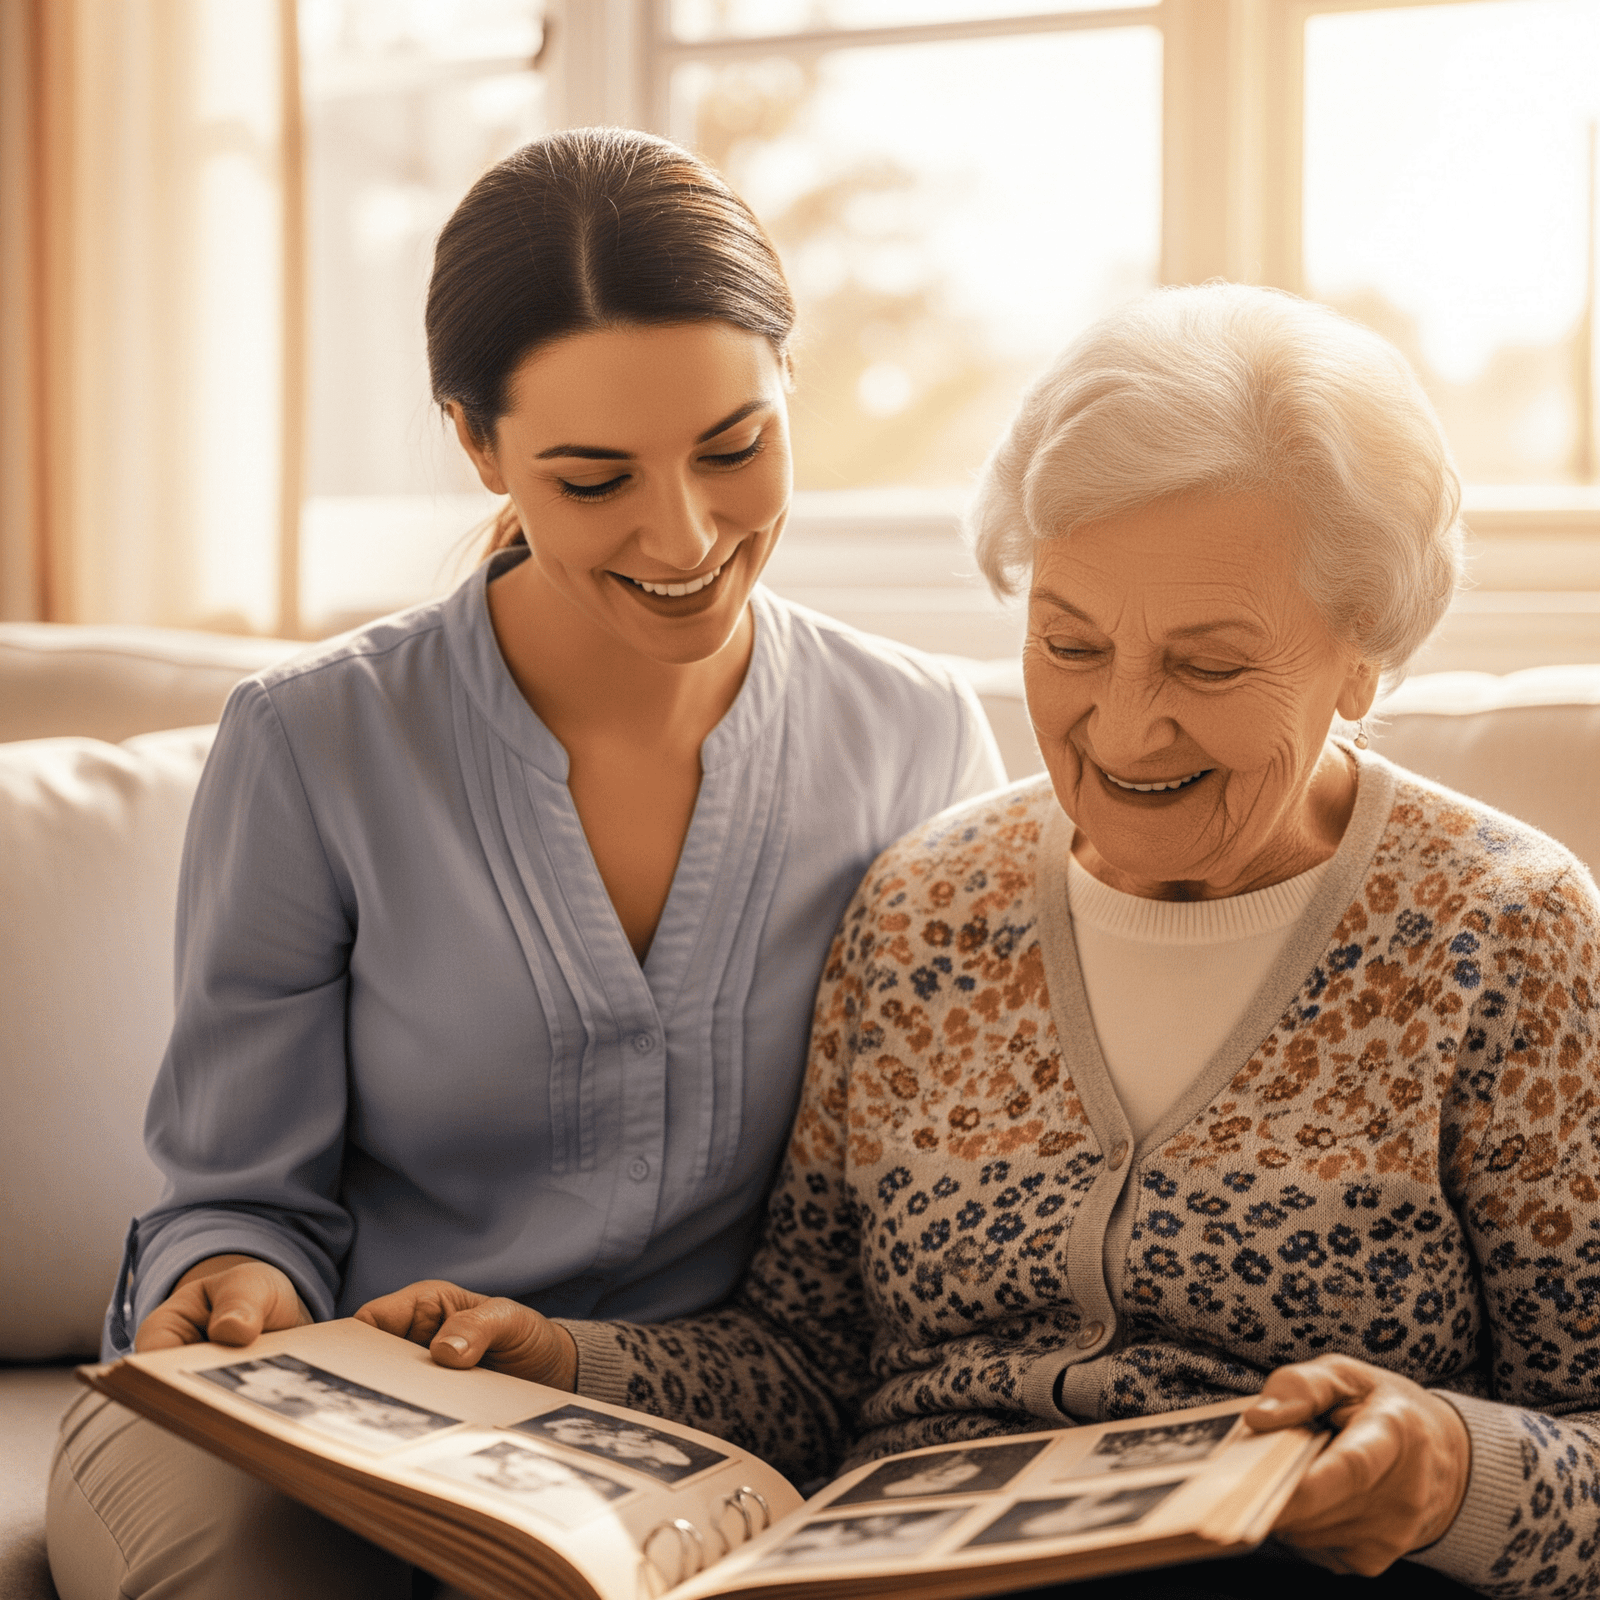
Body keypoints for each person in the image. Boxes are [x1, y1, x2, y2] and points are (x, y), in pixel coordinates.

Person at [364, 284, 1600, 1599]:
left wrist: (1453, 1474)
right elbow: (809, 1365)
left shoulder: (1503, 935)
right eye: (1069, 643)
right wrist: (567, 1363)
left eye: (1210, 666)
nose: (1124, 732)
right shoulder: (923, 908)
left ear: (1366, 657)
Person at [45, 127, 1004, 1600]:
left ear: (789, 392)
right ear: (479, 446)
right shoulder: (317, 743)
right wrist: (236, 1283)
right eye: (592, 476)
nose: (683, 533)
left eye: (735, 448)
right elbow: (240, 1189)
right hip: (334, 1408)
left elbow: (949, 1203)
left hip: (704, 1429)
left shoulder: (917, 737)